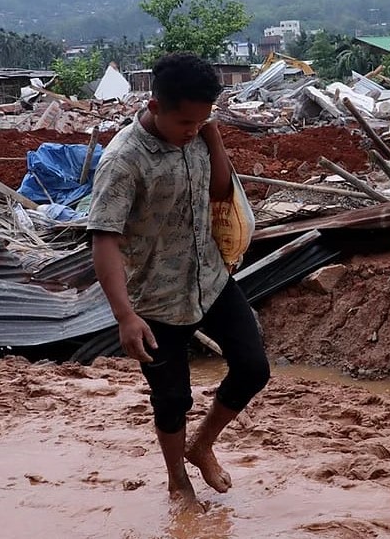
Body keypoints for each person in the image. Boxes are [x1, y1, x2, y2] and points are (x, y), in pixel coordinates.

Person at [88, 52, 270, 510]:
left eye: (202, 119)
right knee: (172, 399)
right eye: (186, 120)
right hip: (156, 298)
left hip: (210, 277)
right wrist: (125, 317)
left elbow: (221, 190)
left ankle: (202, 445)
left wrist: (210, 136)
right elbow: (104, 240)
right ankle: (176, 480)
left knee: (253, 368)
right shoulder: (123, 161)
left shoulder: (198, 134)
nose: (194, 128)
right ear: (155, 107)